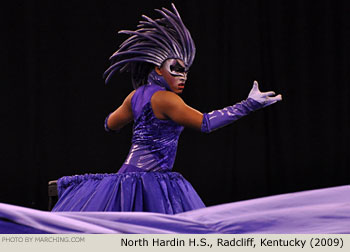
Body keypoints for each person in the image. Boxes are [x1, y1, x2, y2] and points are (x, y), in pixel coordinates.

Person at [52, 4, 281, 214]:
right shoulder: (166, 99)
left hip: (128, 177)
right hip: (150, 183)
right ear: (158, 69)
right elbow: (205, 123)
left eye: (186, 73)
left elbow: (110, 125)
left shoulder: (136, 96)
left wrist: (138, 117)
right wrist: (249, 104)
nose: (183, 78)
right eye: (176, 69)